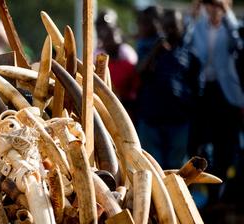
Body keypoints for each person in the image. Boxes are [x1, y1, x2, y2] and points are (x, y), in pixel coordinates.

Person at [185, 0, 244, 204]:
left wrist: (228, 15)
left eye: (216, 3)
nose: (212, 8)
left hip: (225, 93)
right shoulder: (199, 26)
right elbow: (186, 45)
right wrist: (192, 16)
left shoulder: (230, 27)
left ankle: (220, 195)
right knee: (197, 142)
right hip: (203, 91)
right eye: (208, 3)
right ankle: (203, 192)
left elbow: (239, 43)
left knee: (225, 145)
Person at [136, 9, 193, 169]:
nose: (170, 30)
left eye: (173, 26)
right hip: (151, 121)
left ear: (181, 26)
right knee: (154, 168)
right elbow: (140, 71)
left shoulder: (189, 53)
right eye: (166, 26)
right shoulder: (148, 47)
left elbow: (196, 89)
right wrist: (156, 50)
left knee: (176, 170)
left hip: (179, 123)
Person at [95, 8, 139, 110]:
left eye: (106, 25)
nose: (103, 30)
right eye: (100, 25)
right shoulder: (96, 52)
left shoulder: (127, 53)